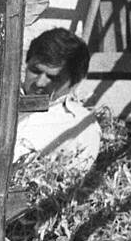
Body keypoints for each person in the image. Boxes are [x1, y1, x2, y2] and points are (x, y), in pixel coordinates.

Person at [14, 28, 99, 171]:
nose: (40, 83)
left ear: (74, 82)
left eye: (53, 78)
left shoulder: (79, 126)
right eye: (35, 70)